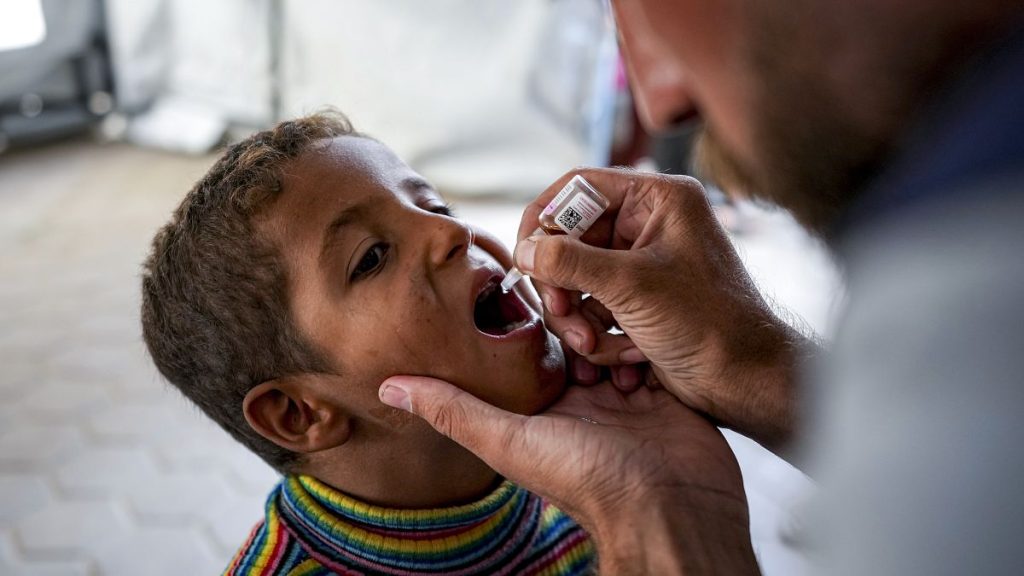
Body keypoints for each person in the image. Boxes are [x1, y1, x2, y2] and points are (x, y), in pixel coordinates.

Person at [378, 1, 1024, 574]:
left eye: (436, 205)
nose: (662, 101)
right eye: (370, 257)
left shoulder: (968, 321)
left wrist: (656, 517)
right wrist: (748, 365)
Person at [140, 112, 598, 575]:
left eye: (437, 208)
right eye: (372, 258)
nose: (452, 232)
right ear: (300, 413)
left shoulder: (594, 463)